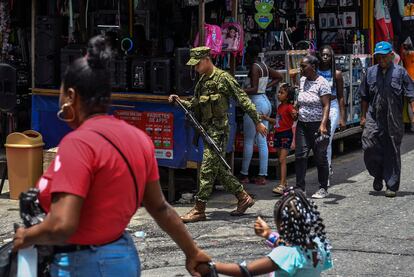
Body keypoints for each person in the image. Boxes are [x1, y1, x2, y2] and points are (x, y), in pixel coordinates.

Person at [12, 36, 211, 276]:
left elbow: (62, 225)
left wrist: (26, 236)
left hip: (82, 264)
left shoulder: (77, 144)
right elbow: (160, 208)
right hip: (123, 258)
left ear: (71, 96)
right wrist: (192, 252)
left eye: (62, 92)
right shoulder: (139, 139)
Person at [168, 46, 268, 223]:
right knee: (219, 169)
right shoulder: (202, 81)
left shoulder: (223, 78)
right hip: (206, 130)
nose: (195, 68)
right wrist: (180, 101)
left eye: (197, 64)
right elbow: (196, 104)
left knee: (207, 167)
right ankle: (243, 197)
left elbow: (243, 99)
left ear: (207, 59)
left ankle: (199, 209)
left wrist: (257, 122)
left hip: (219, 131)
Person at [196, 188, 333, 276]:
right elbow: (288, 244)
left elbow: (246, 271)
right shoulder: (318, 244)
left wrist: (213, 266)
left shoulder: (286, 254)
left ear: (282, 225)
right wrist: (267, 234)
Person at [359, 41, 414, 198]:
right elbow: (364, 96)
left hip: (393, 117)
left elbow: (411, 93)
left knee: (392, 150)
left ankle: (392, 185)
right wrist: (363, 116)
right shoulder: (370, 72)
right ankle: (378, 173)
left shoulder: (400, 72)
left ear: (391, 55)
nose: (381, 60)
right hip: (373, 115)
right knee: (369, 144)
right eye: (379, 57)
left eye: (384, 57)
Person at [240, 43, 284, 185]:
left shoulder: (254, 67)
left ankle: (244, 174)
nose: (245, 58)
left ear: (249, 55)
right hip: (265, 102)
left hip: (256, 103)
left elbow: (253, 89)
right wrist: (266, 87)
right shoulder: (263, 66)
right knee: (262, 140)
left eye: (246, 55)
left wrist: (239, 91)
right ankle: (262, 175)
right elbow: (279, 76)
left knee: (248, 140)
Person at [295, 54, 331, 199]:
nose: (301, 69)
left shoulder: (322, 83)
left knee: (320, 157)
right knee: (300, 156)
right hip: (302, 124)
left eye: (304, 66)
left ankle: (323, 187)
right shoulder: (302, 81)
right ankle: (300, 188)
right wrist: (295, 108)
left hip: (317, 126)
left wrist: (323, 124)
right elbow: (299, 100)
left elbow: (326, 105)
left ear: (313, 67)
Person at [317, 45, 346, 185]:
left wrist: (342, 117)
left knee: (326, 140)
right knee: (319, 141)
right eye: (323, 54)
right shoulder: (314, 71)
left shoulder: (337, 74)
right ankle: (325, 168)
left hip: (333, 107)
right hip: (318, 108)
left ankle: (325, 174)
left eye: (328, 55)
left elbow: (341, 96)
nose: (325, 57)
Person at [261, 83, 297, 194]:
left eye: (281, 93)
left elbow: (295, 116)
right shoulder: (280, 107)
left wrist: (296, 112)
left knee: (282, 160)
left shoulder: (290, 107)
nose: (278, 94)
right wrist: (266, 118)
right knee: (280, 159)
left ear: (287, 96)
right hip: (278, 134)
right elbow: (278, 121)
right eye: (279, 92)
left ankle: (282, 184)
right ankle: (284, 182)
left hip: (286, 134)